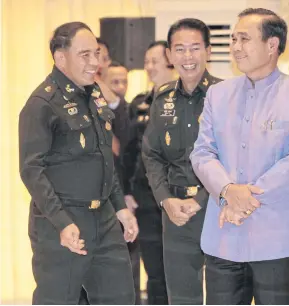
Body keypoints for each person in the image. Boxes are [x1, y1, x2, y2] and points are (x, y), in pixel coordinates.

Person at [190, 8, 289, 305]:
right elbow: (203, 151)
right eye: (234, 39)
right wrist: (227, 190)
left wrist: (245, 199)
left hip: (276, 237)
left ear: (272, 45)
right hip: (223, 235)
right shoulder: (218, 94)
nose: (235, 46)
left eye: (244, 39)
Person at [18, 21, 138, 304]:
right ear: (61, 58)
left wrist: (120, 207)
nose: (95, 62)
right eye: (85, 55)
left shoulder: (94, 95)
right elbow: (31, 170)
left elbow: (104, 157)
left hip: (105, 219)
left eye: (96, 53)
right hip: (63, 221)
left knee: (120, 297)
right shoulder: (41, 104)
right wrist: (61, 222)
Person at [142, 19, 221, 304]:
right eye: (180, 49)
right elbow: (151, 154)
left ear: (208, 51)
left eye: (195, 48)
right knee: (182, 298)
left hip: (216, 209)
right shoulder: (162, 98)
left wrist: (199, 199)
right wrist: (165, 199)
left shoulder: (226, 95)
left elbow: (234, 158)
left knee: (223, 296)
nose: (188, 57)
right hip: (175, 214)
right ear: (170, 55)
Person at [123, 40, 174, 305]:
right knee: (153, 272)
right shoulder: (139, 104)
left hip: (177, 197)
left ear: (171, 61)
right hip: (145, 199)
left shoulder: (184, 101)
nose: (149, 67)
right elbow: (129, 152)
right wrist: (126, 192)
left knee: (178, 270)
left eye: (154, 61)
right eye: (146, 62)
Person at [102, 60, 141, 304]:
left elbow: (130, 152)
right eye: (113, 82)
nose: (119, 87)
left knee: (130, 259)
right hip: (99, 198)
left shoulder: (131, 111)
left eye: (124, 82)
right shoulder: (91, 109)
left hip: (126, 195)